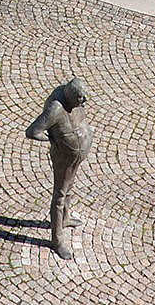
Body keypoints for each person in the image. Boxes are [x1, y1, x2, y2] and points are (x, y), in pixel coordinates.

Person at [24, 77, 94, 260]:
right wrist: (54, 141)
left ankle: (65, 218)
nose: (85, 100)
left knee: (69, 189)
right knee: (60, 196)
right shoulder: (55, 108)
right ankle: (57, 240)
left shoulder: (74, 102)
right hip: (64, 159)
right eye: (80, 97)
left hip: (75, 157)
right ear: (70, 95)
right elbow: (32, 132)